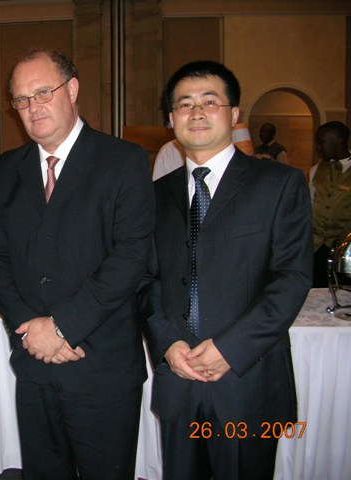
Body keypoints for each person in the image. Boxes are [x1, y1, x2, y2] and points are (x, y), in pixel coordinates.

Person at [0, 49, 155, 480]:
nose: (32, 107)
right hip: (34, 363)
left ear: (72, 89)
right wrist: (30, 328)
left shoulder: (123, 160)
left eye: (43, 92)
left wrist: (61, 327)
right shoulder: (6, 169)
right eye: (21, 99)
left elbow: (131, 257)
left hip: (101, 368)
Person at [140, 60, 312, 479]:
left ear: (234, 115)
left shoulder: (279, 184)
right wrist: (166, 343)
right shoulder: (153, 196)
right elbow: (145, 279)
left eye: (210, 101)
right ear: (171, 119)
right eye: (184, 104)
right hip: (178, 378)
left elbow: (291, 279)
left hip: (246, 382)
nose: (196, 112)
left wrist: (229, 350)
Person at [309, 121, 351, 287]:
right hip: (317, 248)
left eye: (322, 141)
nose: (318, 147)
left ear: (339, 140)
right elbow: (310, 202)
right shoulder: (315, 169)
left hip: (345, 250)